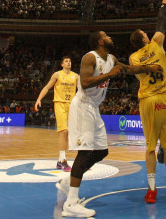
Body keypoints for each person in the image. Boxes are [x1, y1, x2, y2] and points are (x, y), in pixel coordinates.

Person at [57, 31, 123, 218]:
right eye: (107, 35)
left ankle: (70, 181)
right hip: (83, 105)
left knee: (102, 151)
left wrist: (148, 68)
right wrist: (110, 74)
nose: (111, 37)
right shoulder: (90, 57)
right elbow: (84, 83)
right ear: (101, 41)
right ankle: (70, 203)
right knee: (85, 153)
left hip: (94, 108)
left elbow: (125, 68)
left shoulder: (111, 58)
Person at [128, 0, 166, 204]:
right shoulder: (157, 44)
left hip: (149, 102)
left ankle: (151, 191)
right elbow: (162, 20)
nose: (148, 33)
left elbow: (135, 72)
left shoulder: (133, 58)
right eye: (144, 33)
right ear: (144, 39)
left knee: (151, 149)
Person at [35, 56, 79, 171]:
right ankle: (63, 160)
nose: (69, 62)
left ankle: (61, 161)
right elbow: (47, 87)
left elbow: (82, 91)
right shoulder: (57, 75)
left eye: (70, 61)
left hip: (72, 105)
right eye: (66, 61)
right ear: (62, 64)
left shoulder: (76, 76)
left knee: (71, 133)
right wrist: (39, 99)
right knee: (63, 131)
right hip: (60, 104)